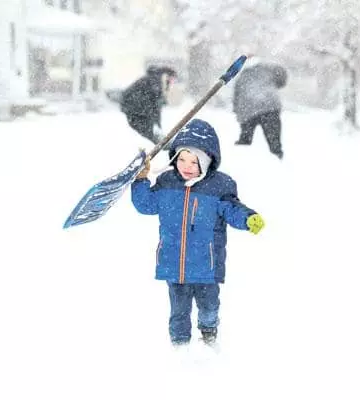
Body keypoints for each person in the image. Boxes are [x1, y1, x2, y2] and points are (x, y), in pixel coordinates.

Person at [130, 118, 265, 347]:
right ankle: (180, 345)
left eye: (194, 162)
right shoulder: (167, 183)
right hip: (175, 264)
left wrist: (248, 218)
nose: (186, 166)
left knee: (209, 306)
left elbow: (232, 209)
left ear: (207, 161)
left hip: (206, 265)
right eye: (181, 159)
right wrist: (140, 179)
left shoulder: (218, 187)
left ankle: (209, 331)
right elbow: (146, 205)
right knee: (178, 311)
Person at [232, 60, 288, 159]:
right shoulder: (268, 67)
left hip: (248, 108)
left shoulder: (242, 75)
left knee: (245, 139)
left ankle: (241, 160)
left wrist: (237, 111)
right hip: (269, 106)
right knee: (274, 141)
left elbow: (236, 96)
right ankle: (278, 159)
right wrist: (278, 85)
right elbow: (282, 74)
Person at [120, 65, 177, 144]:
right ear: (166, 75)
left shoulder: (153, 79)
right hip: (136, 109)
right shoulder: (156, 82)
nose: (171, 83)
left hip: (133, 108)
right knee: (148, 130)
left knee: (147, 130)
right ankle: (161, 144)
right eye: (172, 80)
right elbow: (155, 106)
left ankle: (160, 143)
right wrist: (158, 126)